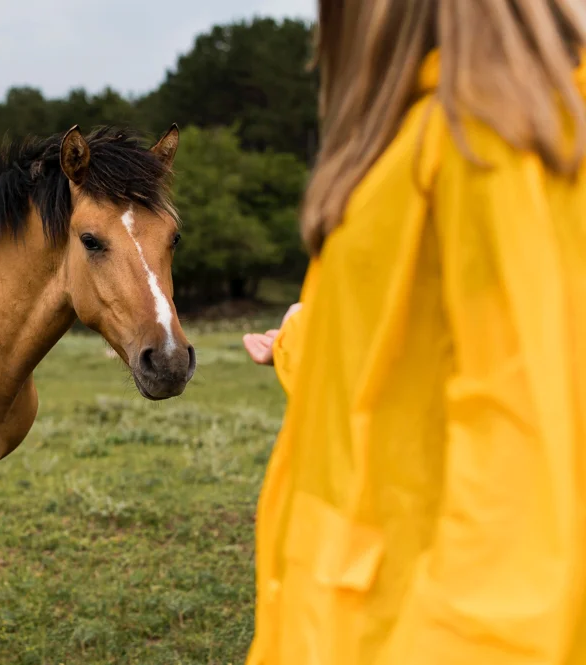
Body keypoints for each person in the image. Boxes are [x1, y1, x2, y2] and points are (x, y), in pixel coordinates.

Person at [242, 1, 586, 664]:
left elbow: (520, 537)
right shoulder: (432, 140)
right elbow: (408, 359)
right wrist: (301, 338)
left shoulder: (497, 147)